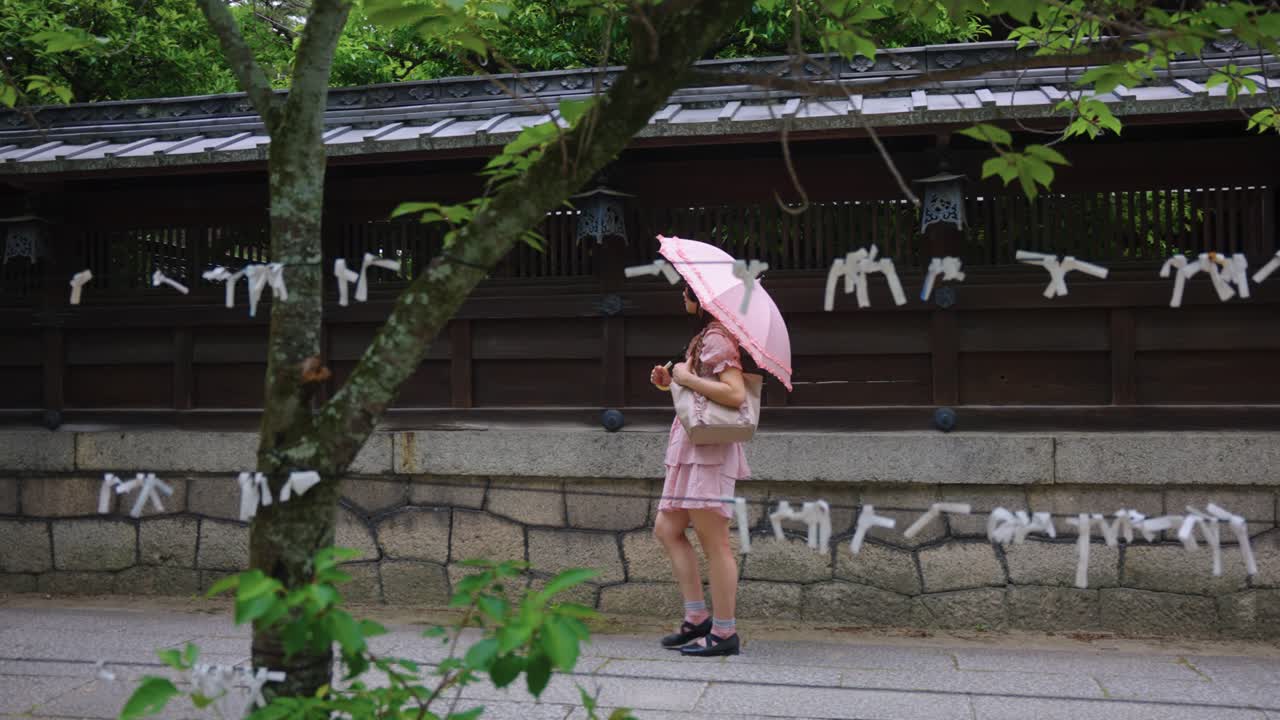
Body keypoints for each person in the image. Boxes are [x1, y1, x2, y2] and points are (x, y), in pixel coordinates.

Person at [648, 284, 749, 657]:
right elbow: (698, 389)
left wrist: (686, 378)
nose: (683, 298)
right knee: (667, 528)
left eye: (687, 292)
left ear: (701, 300)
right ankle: (697, 618)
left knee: (714, 541)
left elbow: (735, 394)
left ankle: (724, 633)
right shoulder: (705, 337)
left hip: (708, 450)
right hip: (692, 445)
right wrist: (670, 380)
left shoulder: (718, 338)